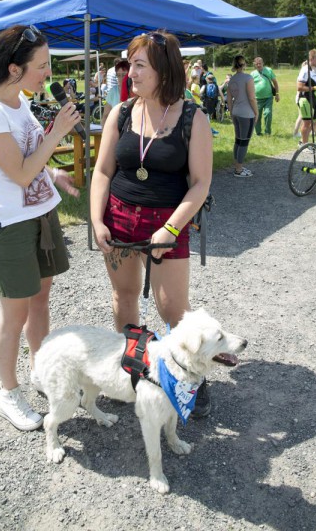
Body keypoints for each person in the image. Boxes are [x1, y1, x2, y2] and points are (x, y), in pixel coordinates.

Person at [0, 24, 82, 432]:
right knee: (14, 314)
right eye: (42, 66)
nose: (48, 74)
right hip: (7, 225)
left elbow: (31, 157)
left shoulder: (19, 101)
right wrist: (57, 133)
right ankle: (8, 393)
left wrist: (53, 174)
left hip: (40, 215)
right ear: (14, 69)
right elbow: (18, 173)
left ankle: (39, 370)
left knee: (40, 299)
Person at [90, 30, 214, 417]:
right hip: (119, 218)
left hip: (168, 222)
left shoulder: (192, 118)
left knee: (173, 308)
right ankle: (132, 368)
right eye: (129, 64)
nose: (130, 73)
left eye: (139, 65)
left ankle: (192, 376)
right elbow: (102, 171)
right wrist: (96, 219)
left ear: (164, 69)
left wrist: (171, 229)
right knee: (124, 296)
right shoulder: (121, 112)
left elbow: (201, 184)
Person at [227, 55, 258, 177]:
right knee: (244, 142)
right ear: (244, 64)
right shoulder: (248, 78)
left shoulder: (231, 79)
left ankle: (237, 166)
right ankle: (238, 170)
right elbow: (252, 98)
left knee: (238, 140)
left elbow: (229, 99)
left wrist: (231, 112)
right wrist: (256, 112)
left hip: (236, 112)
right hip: (247, 114)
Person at [296, 49, 316, 148]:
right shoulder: (305, 70)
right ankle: (303, 145)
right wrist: (314, 88)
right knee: (307, 123)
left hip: (313, 97)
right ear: (311, 59)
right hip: (304, 98)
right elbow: (299, 87)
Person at [250, 57, 279, 136]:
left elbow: (275, 82)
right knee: (257, 116)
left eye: (260, 63)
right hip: (256, 99)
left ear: (263, 63)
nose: (258, 65)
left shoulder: (269, 70)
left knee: (268, 113)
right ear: (254, 64)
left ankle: (267, 132)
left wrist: (277, 94)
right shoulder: (252, 74)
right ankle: (258, 133)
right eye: (257, 64)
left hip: (268, 98)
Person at [102, 59, 130, 124]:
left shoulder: (136, 91)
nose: (121, 78)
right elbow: (105, 116)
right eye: (118, 75)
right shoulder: (113, 91)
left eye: (124, 75)